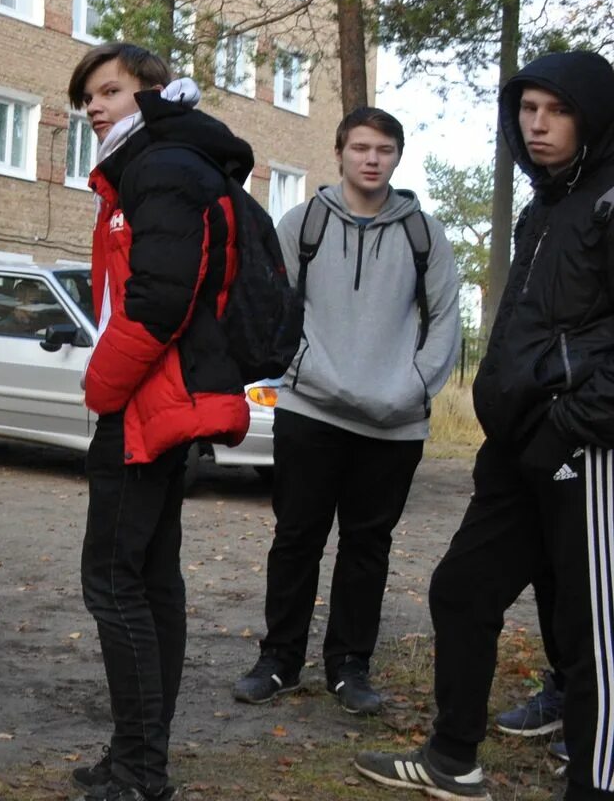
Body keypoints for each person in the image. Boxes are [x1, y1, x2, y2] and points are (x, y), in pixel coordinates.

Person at [357, 49, 614, 801]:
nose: (538, 124)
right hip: (521, 447)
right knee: (463, 590)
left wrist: (571, 424)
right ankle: (452, 759)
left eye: (557, 110)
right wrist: (508, 428)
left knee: (592, 632)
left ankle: (596, 783)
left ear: (592, 116)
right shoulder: (547, 205)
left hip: (587, 449)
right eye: (528, 109)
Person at [67, 43, 257, 801]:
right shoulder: (151, 166)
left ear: (153, 94)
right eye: (86, 97)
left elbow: (158, 302)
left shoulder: (160, 168)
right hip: (158, 402)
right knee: (148, 580)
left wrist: (100, 387)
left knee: (115, 583)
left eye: (108, 91)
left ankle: (141, 771)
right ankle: (134, 759)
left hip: (146, 403)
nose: (93, 107)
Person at [234, 107, 460, 715]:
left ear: (397, 156)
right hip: (311, 409)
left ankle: (349, 668)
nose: (371, 159)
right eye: (360, 147)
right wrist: (298, 369)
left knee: (368, 546)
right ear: (339, 153)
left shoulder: (425, 234)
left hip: (395, 421)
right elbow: (274, 306)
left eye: (384, 149)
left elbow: (446, 322)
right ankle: (279, 661)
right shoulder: (301, 224)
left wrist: (414, 386)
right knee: (296, 538)